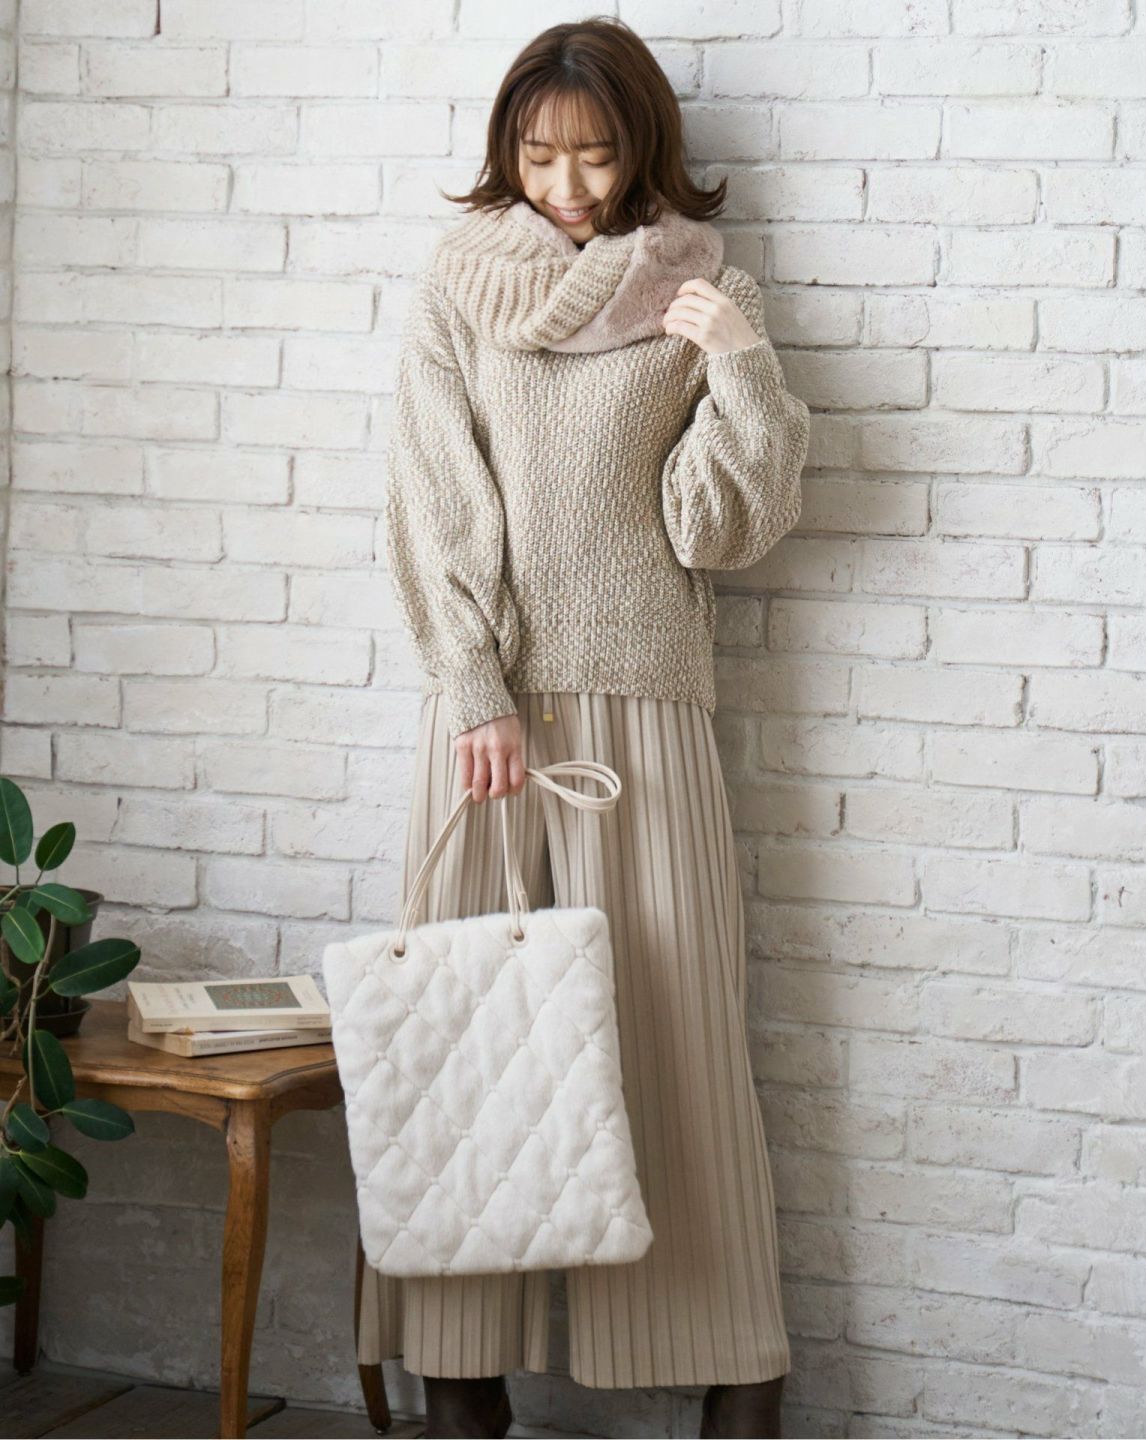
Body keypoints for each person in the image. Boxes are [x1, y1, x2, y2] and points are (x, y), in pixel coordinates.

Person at [358, 17, 811, 1439]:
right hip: (488, 724)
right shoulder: (458, 286)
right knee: (466, 1040)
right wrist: (476, 690)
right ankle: (460, 1380)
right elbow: (433, 497)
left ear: (643, 149)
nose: (566, 185)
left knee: (674, 1041)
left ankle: (732, 1371)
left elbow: (721, 527)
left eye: (597, 155)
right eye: (540, 155)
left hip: (648, 715)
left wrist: (740, 362)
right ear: (508, 152)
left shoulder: (702, 290)